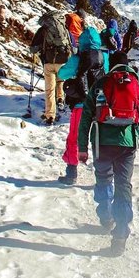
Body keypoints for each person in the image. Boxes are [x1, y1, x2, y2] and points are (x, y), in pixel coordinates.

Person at [78, 51, 139, 256]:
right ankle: (120, 235)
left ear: (110, 65)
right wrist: (133, 127)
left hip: (101, 143)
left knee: (103, 179)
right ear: (127, 65)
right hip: (127, 145)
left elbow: (85, 117)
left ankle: (106, 217)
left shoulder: (101, 84)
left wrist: (82, 148)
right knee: (123, 186)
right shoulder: (137, 86)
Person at [56, 25, 106, 184]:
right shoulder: (104, 57)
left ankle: (71, 173)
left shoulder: (77, 59)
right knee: (101, 140)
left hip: (80, 106)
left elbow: (61, 73)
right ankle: (104, 176)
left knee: (74, 138)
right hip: (100, 106)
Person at [30, 11, 73, 125]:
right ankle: (60, 98)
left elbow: (33, 48)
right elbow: (71, 43)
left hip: (49, 62)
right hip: (63, 61)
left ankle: (50, 115)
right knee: (60, 80)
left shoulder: (43, 29)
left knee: (49, 89)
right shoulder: (64, 27)